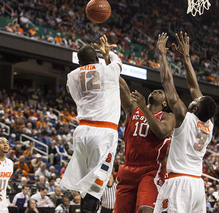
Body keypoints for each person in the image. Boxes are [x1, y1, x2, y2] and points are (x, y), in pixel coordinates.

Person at [154, 32, 217, 213]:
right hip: (197, 185)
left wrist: (162, 54)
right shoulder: (209, 123)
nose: (192, 100)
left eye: (195, 102)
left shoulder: (184, 117)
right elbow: (194, 87)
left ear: (195, 109)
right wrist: (186, 58)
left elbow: (167, 82)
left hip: (179, 183)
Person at [60, 35, 122, 213]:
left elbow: (74, 84)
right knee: (99, 179)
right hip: (103, 130)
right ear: (96, 58)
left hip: (82, 130)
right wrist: (108, 53)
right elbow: (118, 63)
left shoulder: (71, 76)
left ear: (79, 61)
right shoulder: (107, 70)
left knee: (86, 180)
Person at [114, 78, 175, 212]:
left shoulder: (168, 116)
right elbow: (123, 88)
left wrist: (143, 108)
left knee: (146, 210)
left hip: (152, 168)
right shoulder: (133, 109)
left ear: (165, 103)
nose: (156, 91)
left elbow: (161, 132)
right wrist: (110, 63)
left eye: (160, 92)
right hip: (129, 166)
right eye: (155, 90)